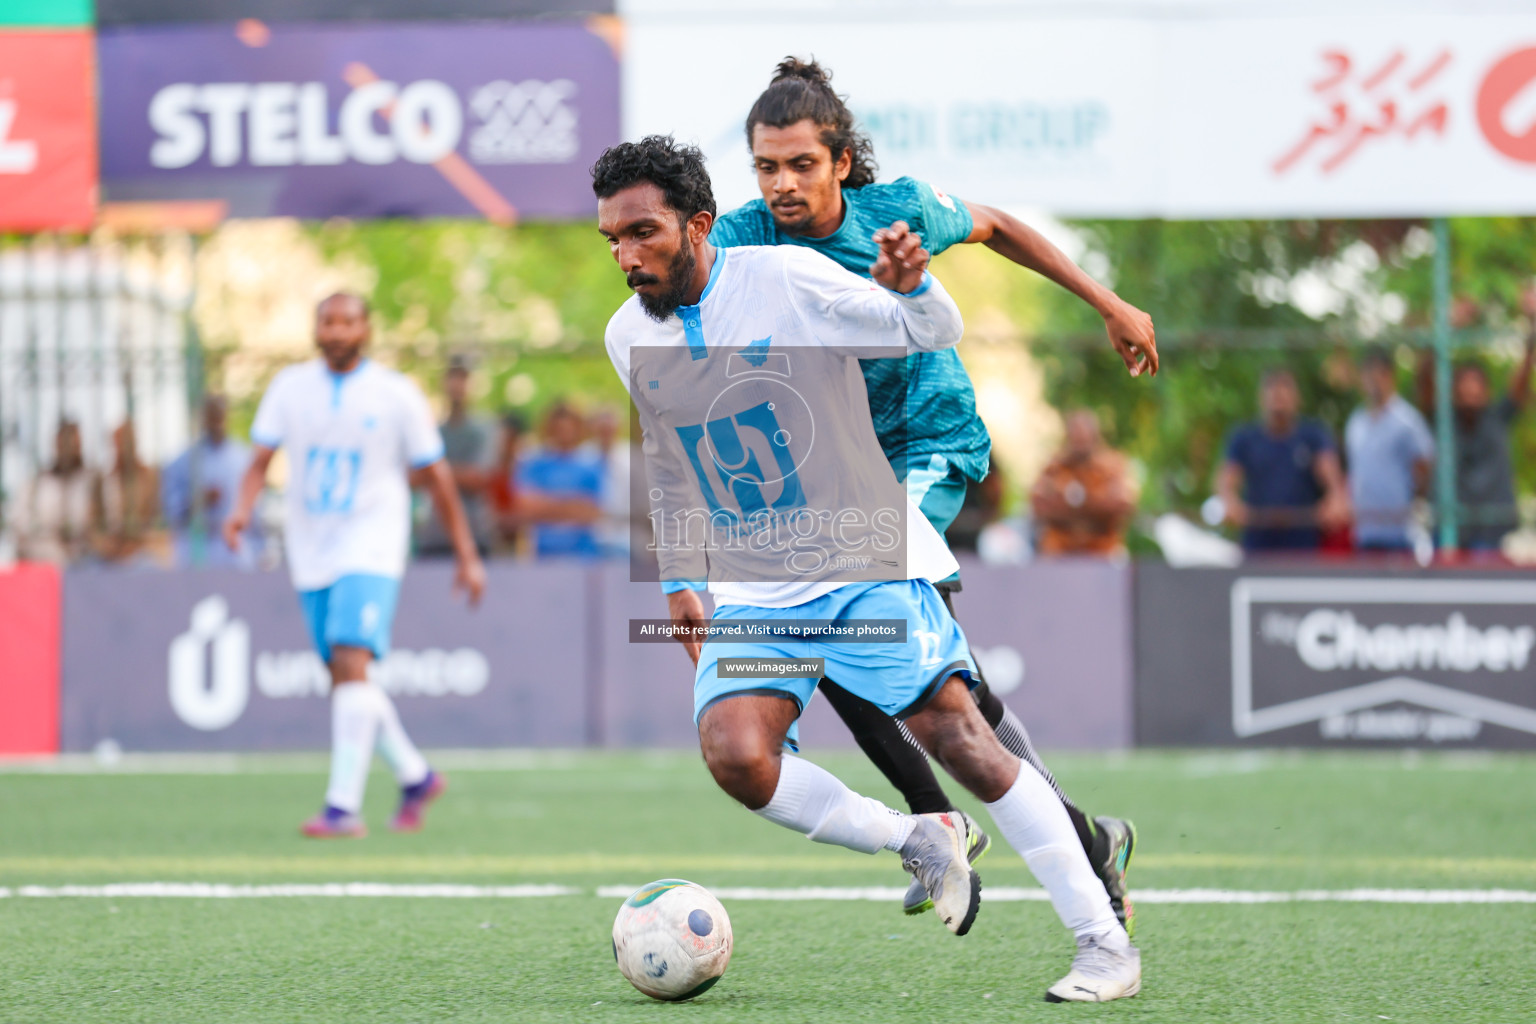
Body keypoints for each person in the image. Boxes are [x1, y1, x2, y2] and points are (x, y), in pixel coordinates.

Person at [594, 136, 1140, 1002]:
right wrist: (677, 580)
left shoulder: (779, 278)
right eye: (613, 241)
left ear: (699, 225)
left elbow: (933, 329)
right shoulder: (629, 335)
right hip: (756, 586)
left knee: (962, 735)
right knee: (737, 756)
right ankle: (918, 838)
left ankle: (1103, 943)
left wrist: (914, 283)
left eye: (643, 234)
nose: (626, 257)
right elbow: (667, 459)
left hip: (858, 554)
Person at [707, 58, 1154, 929]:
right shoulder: (742, 237)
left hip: (927, 446)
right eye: (767, 167)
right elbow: (687, 285)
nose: (784, 183)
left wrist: (1108, 301)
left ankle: (959, 831)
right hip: (837, 470)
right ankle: (1065, 839)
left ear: (841, 161)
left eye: (802, 164)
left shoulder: (895, 212)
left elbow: (996, 226)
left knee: (875, 636)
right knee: (907, 670)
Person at [223, 292, 486, 838]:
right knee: (345, 675)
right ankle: (416, 776)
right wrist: (241, 510)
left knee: (350, 660)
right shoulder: (289, 388)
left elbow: (438, 478)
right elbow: (259, 462)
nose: (337, 330)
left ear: (366, 328)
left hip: (372, 546)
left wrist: (466, 554)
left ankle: (341, 807)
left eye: (347, 321)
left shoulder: (396, 394)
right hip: (310, 549)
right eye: (327, 321)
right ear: (315, 329)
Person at [1218, 369, 1350, 553]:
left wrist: (1336, 498)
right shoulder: (1243, 438)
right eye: (1272, 389)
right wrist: (1229, 502)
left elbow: (1331, 477)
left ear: (1297, 397)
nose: (1278, 396)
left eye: (1285, 389)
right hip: (1256, 545)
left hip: (1303, 545)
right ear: (1261, 397)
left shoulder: (1313, 436)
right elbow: (1227, 481)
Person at [1346, 346, 1435, 552]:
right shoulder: (1356, 422)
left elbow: (1424, 465)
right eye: (1367, 374)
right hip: (1365, 531)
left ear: (1391, 376)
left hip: (1399, 533)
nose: (1373, 381)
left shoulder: (1407, 420)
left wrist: (1413, 502)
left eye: (1379, 374)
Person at [161, 395, 259, 568]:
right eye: (210, 416)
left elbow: (255, 508)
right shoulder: (183, 461)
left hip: (235, 551)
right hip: (196, 549)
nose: (215, 422)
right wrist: (198, 501)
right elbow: (170, 512)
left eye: (218, 415)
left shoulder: (243, 457)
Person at [415, 356, 496, 558]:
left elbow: (478, 479)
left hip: (476, 534)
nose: (457, 385)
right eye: (453, 378)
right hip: (434, 536)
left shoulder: (485, 430)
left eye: (463, 378)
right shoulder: (432, 430)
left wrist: (435, 471)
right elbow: (415, 475)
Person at [1031, 410, 1139, 558]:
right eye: (1076, 437)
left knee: (1118, 556)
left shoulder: (1112, 467)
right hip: (1061, 546)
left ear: (1095, 437)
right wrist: (1081, 511)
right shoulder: (1054, 468)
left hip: (1102, 544)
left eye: (1084, 437)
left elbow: (1124, 503)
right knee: (1046, 549)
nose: (1080, 442)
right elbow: (1038, 505)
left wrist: (1083, 504)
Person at [516, 401, 604, 559]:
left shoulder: (592, 466)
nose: (564, 433)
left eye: (569, 428)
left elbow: (591, 513)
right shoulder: (534, 464)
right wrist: (572, 505)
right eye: (559, 429)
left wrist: (544, 505)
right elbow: (525, 508)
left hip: (583, 556)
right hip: (542, 555)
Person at [14, 420, 92, 565]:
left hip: (85, 563)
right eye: (64, 443)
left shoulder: (91, 483)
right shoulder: (37, 485)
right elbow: (21, 525)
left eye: (74, 444)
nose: (69, 449)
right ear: (56, 444)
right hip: (44, 561)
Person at [92, 420, 164, 565]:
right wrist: (105, 545)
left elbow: (156, 521)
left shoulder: (150, 478)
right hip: (110, 551)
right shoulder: (105, 480)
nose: (123, 447)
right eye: (118, 442)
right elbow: (95, 522)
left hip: (142, 549)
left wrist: (136, 544)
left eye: (127, 441)